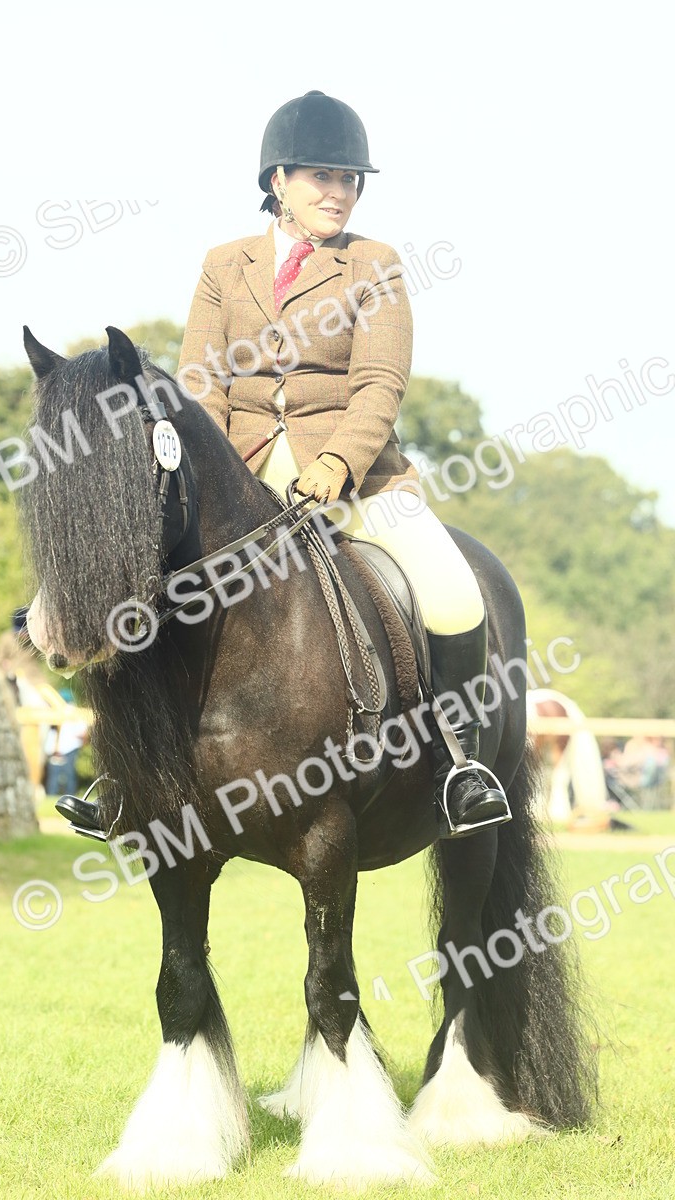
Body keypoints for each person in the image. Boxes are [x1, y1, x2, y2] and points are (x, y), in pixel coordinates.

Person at [173, 90, 511, 838]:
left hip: (359, 478)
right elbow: (200, 383)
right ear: (278, 181)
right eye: (323, 176)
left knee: (456, 594)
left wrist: (336, 462)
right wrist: (222, 476)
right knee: (149, 579)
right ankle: (131, 773)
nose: (340, 192)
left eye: (351, 179)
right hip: (241, 475)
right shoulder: (223, 266)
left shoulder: (375, 265)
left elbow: (379, 384)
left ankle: (461, 764)